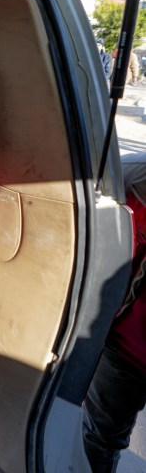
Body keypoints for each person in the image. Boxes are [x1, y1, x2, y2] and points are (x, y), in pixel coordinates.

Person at [81, 152, 146, 472]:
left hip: (129, 347)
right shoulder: (133, 174)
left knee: (100, 439)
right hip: (127, 342)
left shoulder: (133, 176)